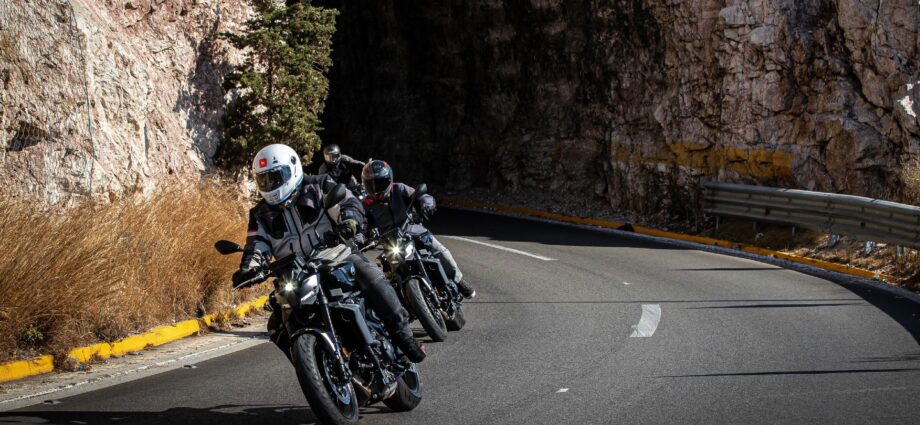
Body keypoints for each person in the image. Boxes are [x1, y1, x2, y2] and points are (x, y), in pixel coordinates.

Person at [237, 144, 426, 363]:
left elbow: (348, 201)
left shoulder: (318, 185)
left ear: (293, 168)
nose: (271, 185)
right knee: (276, 325)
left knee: (371, 278)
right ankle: (313, 364)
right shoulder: (259, 214)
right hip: (297, 274)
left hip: (336, 256)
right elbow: (256, 245)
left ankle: (404, 337)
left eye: (276, 177)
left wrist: (349, 220)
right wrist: (249, 268)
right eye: (264, 180)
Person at [360, 160, 476, 299]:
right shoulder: (366, 204)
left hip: (414, 231)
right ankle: (406, 299)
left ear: (389, 180)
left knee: (441, 252)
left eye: (379, 184)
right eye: (370, 184)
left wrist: (427, 205)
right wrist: (360, 236)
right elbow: (362, 222)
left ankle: (459, 281)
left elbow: (422, 195)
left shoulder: (399, 189)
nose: (375, 189)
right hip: (391, 241)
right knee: (391, 273)